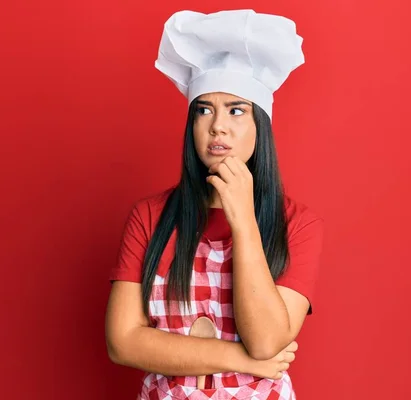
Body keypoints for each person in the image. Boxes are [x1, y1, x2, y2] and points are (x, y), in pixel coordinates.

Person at [105, 9, 324, 400]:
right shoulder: (150, 217)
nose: (217, 126)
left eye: (236, 110)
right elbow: (123, 343)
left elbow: (267, 340)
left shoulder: (297, 224)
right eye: (204, 109)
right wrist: (242, 360)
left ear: (261, 125)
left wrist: (243, 221)